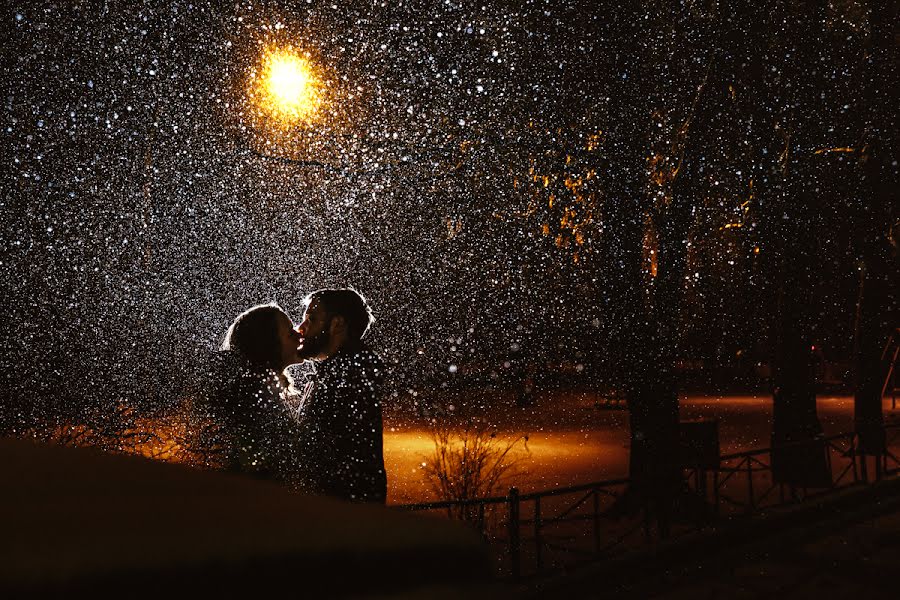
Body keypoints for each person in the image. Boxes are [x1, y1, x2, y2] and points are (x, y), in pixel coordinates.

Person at [294, 288, 387, 503]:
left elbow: (319, 454)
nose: (301, 327)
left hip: (336, 517)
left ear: (337, 324)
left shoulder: (347, 378)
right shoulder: (341, 373)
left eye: (311, 318)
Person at [199, 303, 303, 484]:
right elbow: (258, 462)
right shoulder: (254, 395)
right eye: (289, 333)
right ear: (268, 344)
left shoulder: (262, 388)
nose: (299, 335)